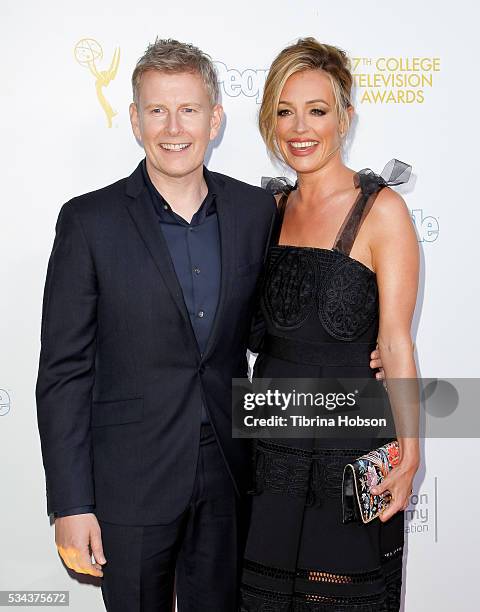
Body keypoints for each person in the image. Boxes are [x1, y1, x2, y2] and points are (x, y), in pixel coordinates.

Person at [36, 38, 385, 612]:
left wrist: (372, 353)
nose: (173, 127)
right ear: (134, 120)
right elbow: (63, 374)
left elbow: (288, 315)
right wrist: (72, 504)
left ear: (215, 118)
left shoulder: (255, 212)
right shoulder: (87, 221)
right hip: (130, 485)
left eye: (189, 109)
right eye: (157, 110)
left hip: (232, 476)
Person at [240, 38, 420, 611]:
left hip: (358, 444)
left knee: (346, 599)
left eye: (317, 110)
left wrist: (411, 452)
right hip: (267, 447)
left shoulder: (382, 210)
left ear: (345, 117)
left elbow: (394, 340)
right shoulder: (263, 211)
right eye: (284, 112)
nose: (300, 128)